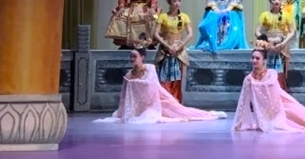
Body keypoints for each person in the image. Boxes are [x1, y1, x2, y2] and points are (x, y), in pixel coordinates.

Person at [233, 42, 305, 133]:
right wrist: (238, 123)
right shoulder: (248, 79)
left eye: (257, 58)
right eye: (253, 58)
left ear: (264, 60)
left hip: (283, 104)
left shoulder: (271, 74)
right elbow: (243, 102)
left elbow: (271, 91)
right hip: (269, 115)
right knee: (297, 125)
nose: (254, 60)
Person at [96, 48, 226, 124]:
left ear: (142, 57)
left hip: (158, 101)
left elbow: (149, 84)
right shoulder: (130, 74)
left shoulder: (149, 68)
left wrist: (133, 83)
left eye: (135, 56)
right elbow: (125, 94)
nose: (132, 59)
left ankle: (210, 114)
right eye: (131, 57)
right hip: (144, 105)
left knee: (182, 112)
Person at [153, 0, 193, 101]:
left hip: (178, 51)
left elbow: (190, 34)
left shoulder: (184, 17)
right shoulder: (163, 17)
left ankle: (176, 102)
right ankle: (165, 102)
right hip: (165, 51)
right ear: (169, 2)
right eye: (174, 1)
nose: (177, 3)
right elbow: (156, 34)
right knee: (164, 78)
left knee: (178, 79)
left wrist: (180, 46)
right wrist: (167, 46)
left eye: (179, 1)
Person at [256, 0, 296, 90]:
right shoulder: (264, 15)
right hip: (267, 44)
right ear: (270, 1)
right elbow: (257, 31)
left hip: (281, 44)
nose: (277, 1)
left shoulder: (287, 15)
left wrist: (283, 43)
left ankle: (281, 86)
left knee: (282, 62)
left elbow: (292, 32)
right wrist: (265, 41)